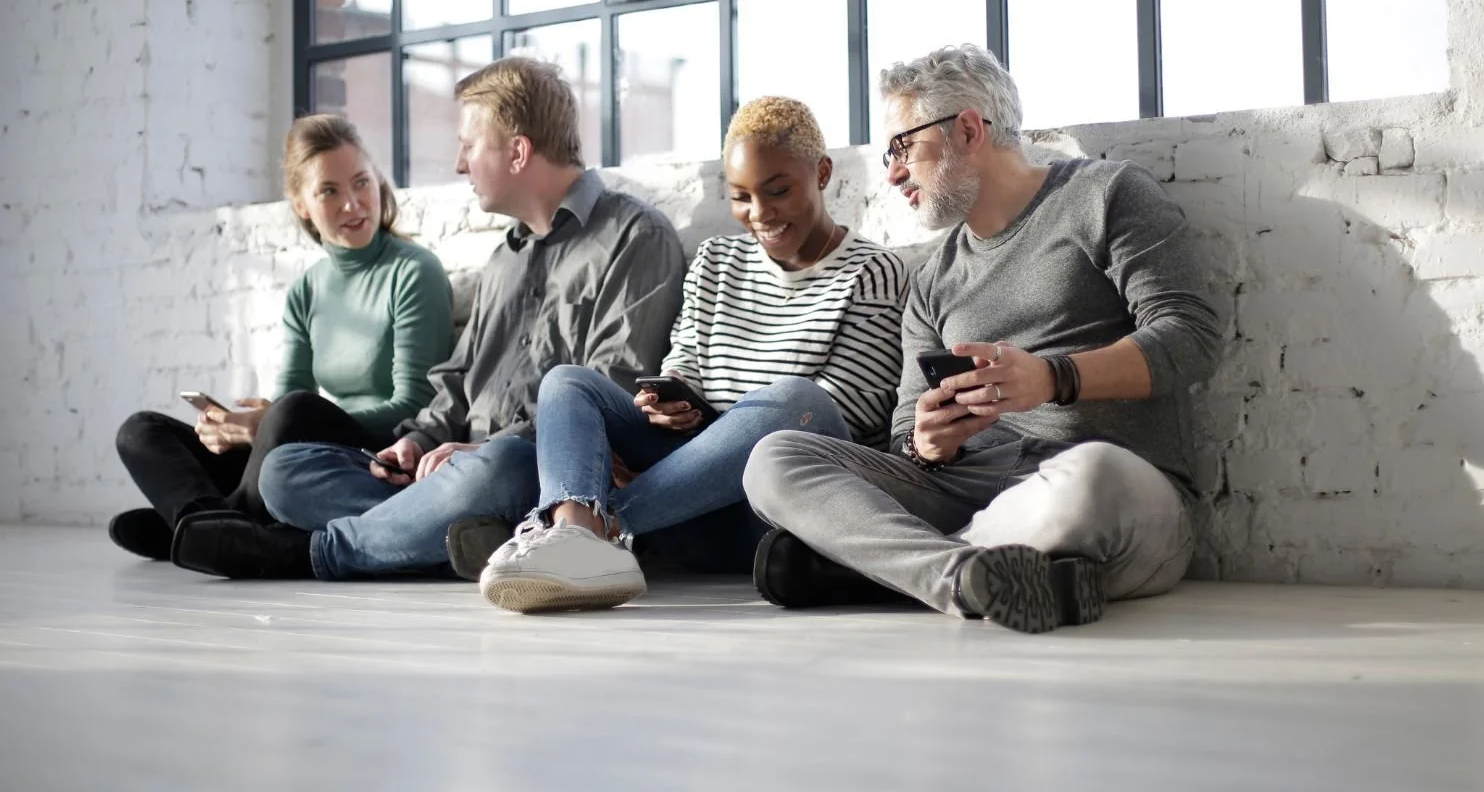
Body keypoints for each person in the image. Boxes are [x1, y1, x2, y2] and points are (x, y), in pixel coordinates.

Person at [742, 45, 1222, 633]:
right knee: (773, 458)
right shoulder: (932, 279)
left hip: (1096, 490)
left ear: (968, 130)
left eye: (901, 147)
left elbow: (1192, 337)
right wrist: (928, 446)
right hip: (970, 490)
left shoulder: (1107, 195)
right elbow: (903, 443)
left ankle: (880, 567)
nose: (891, 172)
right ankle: (968, 579)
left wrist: (1053, 378)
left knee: (1093, 477)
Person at [170, 56, 686, 580]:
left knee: (498, 469)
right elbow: (457, 384)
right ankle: (458, 539)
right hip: (450, 473)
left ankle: (317, 552)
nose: (460, 164)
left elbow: (606, 396)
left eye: (468, 145)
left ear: (517, 151)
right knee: (285, 471)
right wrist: (415, 442)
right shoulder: (503, 259)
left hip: (531, 472)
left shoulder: (634, 236)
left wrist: (481, 449)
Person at [479, 96, 909, 614]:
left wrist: (697, 458)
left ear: (821, 173)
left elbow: (846, 416)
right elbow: (682, 365)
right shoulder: (716, 261)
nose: (760, 213)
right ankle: (575, 530)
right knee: (567, 383)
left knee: (800, 401)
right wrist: (667, 404)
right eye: (741, 197)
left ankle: (599, 531)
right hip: (684, 496)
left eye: (778, 191)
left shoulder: (876, 272)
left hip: (775, 506)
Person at [109, 115, 452, 563]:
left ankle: (200, 522)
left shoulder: (413, 271)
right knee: (140, 431)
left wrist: (273, 422)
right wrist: (237, 427)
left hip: (375, 450)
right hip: (297, 449)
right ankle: (207, 521)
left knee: (291, 412)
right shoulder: (307, 289)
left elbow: (414, 405)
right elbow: (286, 401)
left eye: (361, 182)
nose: (353, 204)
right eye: (329, 190)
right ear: (302, 205)